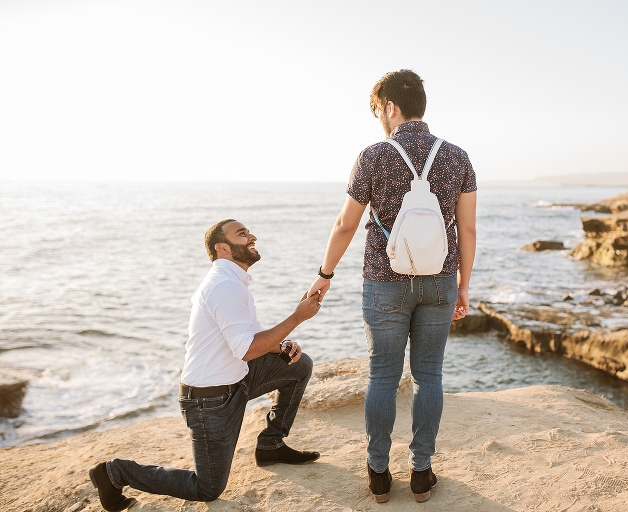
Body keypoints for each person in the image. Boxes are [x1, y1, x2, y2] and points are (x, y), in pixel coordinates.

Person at [306, 69, 477, 504]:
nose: (378, 118)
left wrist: (325, 275)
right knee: (429, 376)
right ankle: (421, 473)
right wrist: (463, 286)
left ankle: (379, 474)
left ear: (390, 107)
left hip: (384, 283)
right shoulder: (457, 157)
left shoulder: (374, 155)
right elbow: (469, 230)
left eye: (377, 109)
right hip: (440, 280)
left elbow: (346, 224)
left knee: (382, 376)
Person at [89, 219, 322, 511]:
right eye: (243, 234)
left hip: (237, 381)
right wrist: (297, 317)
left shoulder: (233, 282)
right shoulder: (224, 286)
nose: (253, 236)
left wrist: (284, 346)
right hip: (209, 401)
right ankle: (114, 472)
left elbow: (251, 338)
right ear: (222, 248)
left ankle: (271, 444)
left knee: (298, 366)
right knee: (207, 488)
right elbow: (247, 349)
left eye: (248, 232)